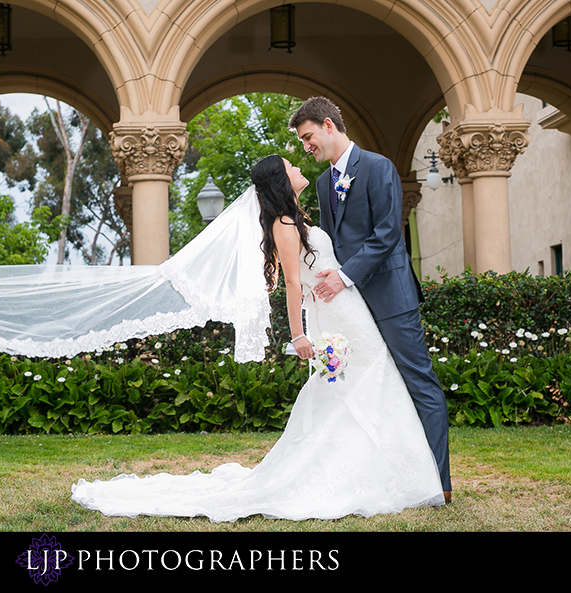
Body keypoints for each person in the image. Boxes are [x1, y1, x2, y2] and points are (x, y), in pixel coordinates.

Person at [69, 155, 445, 521]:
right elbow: (294, 282)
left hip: (346, 308)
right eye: (290, 167)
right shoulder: (283, 223)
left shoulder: (296, 217)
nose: (299, 167)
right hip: (337, 314)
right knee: (364, 379)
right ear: (282, 180)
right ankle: (376, 472)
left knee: (369, 380)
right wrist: (298, 334)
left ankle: (381, 467)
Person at [288, 97, 452, 501]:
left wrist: (343, 277)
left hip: (391, 294)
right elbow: (330, 245)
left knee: (418, 381)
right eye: (302, 142)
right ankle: (386, 475)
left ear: (329, 125)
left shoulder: (379, 167)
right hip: (351, 309)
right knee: (365, 386)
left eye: (309, 137)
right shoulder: (325, 183)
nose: (307, 147)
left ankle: (439, 483)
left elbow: (387, 233)